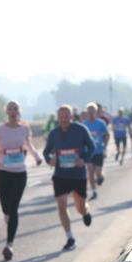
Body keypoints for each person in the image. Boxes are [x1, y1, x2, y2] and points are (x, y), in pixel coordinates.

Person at [0, 101, 43, 260]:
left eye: (15, 108)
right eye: (10, 108)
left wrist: (37, 157)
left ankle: (9, 244)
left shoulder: (25, 128)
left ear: (19, 111)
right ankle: (8, 217)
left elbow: (28, 145)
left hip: (20, 172)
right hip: (3, 172)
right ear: (6, 112)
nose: (13, 111)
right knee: (6, 208)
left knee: (14, 208)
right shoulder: (0, 129)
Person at [43, 105, 95, 251]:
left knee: (80, 208)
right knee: (61, 205)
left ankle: (86, 212)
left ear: (72, 117)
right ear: (58, 118)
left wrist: (83, 159)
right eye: (61, 117)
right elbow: (46, 152)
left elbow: (91, 147)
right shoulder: (54, 133)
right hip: (60, 175)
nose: (63, 119)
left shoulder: (81, 130)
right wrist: (49, 159)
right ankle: (70, 237)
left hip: (77, 174)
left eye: (66, 117)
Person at [81, 103, 109, 200]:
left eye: (93, 112)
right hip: (88, 152)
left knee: (98, 173)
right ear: (87, 113)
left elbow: (106, 135)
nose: (91, 114)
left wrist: (105, 145)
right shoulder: (84, 124)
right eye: (89, 112)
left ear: (96, 112)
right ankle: (94, 191)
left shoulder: (101, 123)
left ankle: (101, 176)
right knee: (90, 172)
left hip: (99, 151)